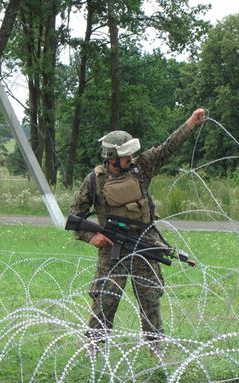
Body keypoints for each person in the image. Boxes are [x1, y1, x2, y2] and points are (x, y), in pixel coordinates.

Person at [69, 108, 207, 348]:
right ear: (111, 157)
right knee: (105, 300)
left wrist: (191, 123)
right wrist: (92, 236)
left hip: (144, 243)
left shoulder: (141, 168)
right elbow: (75, 215)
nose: (130, 158)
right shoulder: (95, 180)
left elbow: (167, 148)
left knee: (150, 300)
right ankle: (93, 351)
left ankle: (156, 351)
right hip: (112, 250)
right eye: (125, 155)